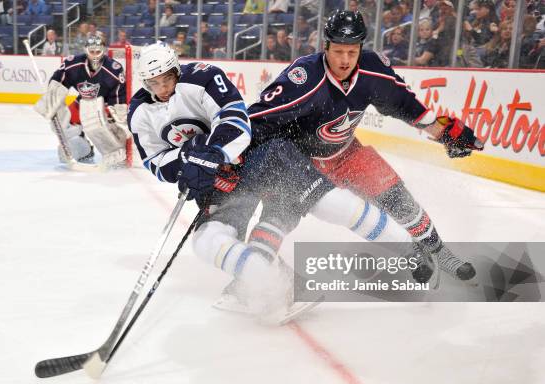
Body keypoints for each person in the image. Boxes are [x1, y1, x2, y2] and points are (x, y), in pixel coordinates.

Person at [127, 42, 430, 322]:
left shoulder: (204, 77)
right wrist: (185, 164)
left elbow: (235, 120)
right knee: (206, 241)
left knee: (328, 204)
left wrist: (210, 153)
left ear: (176, 71)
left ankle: (408, 246)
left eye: (167, 79)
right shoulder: (139, 112)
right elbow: (155, 162)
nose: (162, 88)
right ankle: (275, 284)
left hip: (260, 156)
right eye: (154, 83)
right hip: (217, 183)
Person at [247, 10, 483, 285]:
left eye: (352, 51)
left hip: (347, 154)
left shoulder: (373, 69)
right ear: (325, 47)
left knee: (399, 199)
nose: (345, 60)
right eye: (338, 51)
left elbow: (406, 105)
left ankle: (439, 251)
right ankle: (250, 274)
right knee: (278, 215)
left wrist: (443, 132)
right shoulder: (304, 76)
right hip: (301, 164)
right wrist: (233, 159)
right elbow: (258, 120)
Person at [34, 32, 132, 169]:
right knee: (60, 124)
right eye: (92, 51)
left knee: (105, 130)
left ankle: (114, 151)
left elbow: (118, 97)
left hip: (104, 106)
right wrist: (52, 100)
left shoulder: (113, 69)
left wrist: (119, 120)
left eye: (98, 51)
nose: (95, 55)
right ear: (86, 50)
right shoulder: (73, 63)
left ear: (103, 51)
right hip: (82, 104)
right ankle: (83, 149)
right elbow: (59, 80)